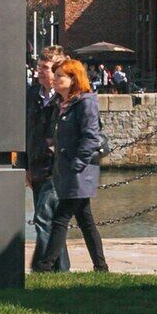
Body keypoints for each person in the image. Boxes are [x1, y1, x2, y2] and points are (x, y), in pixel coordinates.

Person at [36, 55, 109, 273]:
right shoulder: (62, 104)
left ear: (73, 79)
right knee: (85, 220)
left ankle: (45, 265)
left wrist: (77, 164)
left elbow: (90, 137)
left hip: (79, 171)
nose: (55, 79)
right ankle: (101, 266)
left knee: (60, 217)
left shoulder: (85, 103)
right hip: (66, 169)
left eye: (60, 76)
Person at [19, 51, 65, 267]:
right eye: (39, 66)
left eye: (44, 68)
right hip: (36, 164)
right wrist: (25, 165)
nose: (39, 71)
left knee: (43, 218)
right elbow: (26, 130)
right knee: (52, 220)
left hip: (55, 168)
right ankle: (61, 267)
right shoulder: (32, 94)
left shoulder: (64, 98)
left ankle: (46, 267)